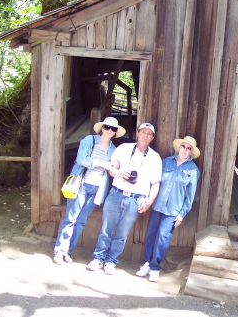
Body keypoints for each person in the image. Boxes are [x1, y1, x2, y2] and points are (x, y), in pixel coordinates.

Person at [86, 122, 162, 275]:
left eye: (149, 134)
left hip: (136, 199)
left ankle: (111, 261)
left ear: (152, 137)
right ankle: (98, 258)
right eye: (143, 132)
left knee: (122, 234)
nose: (145, 136)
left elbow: (156, 183)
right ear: (137, 132)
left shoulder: (155, 157)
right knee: (106, 229)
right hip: (116, 193)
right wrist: (119, 174)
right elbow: (112, 168)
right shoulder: (124, 148)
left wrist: (148, 203)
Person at [53, 117, 126, 265]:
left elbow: (113, 168)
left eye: (113, 129)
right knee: (71, 218)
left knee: (80, 221)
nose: (110, 130)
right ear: (101, 128)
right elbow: (82, 160)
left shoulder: (113, 150)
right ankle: (60, 251)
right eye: (107, 127)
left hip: (97, 188)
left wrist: (110, 168)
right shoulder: (89, 141)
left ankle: (68, 251)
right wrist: (103, 164)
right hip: (81, 184)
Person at [136, 136, 200, 282]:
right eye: (183, 146)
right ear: (179, 147)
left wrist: (182, 214)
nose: (185, 150)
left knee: (162, 239)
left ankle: (155, 267)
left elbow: (190, 196)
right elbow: (154, 182)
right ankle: (146, 263)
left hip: (173, 210)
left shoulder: (193, 170)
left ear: (191, 152)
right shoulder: (165, 162)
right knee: (151, 235)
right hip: (157, 206)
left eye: (189, 148)